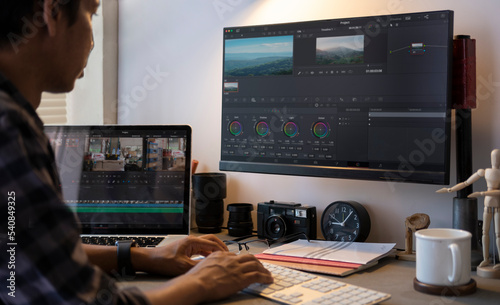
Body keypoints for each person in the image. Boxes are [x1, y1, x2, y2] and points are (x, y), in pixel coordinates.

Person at [0, 1, 273, 304]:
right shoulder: (10, 128)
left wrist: (144, 256)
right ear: (52, 13)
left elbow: (34, 251)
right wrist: (202, 282)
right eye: (92, 14)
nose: (92, 42)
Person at [436, 149, 500, 270]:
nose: (495, 159)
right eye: (494, 157)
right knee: (485, 232)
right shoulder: (484, 172)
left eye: (497, 157)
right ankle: (486, 259)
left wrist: (482, 193)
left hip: (497, 205)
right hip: (487, 205)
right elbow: (466, 183)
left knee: (498, 234)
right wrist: (451, 189)